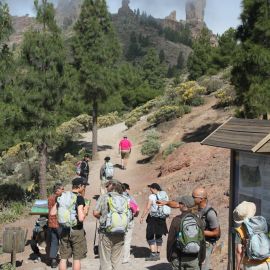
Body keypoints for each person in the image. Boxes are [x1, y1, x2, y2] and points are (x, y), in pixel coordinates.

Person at [51, 177, 90, 270]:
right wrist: (85, 210)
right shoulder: (79, 198)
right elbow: (80, 218)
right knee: (76, 259)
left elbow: (52, 213)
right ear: (80, 186)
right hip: (76, 230)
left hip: (64, 230)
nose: (84, 188)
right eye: (84, 186)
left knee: (63, 258)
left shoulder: (62, 196)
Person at [93, 180, 128, 270]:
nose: (106, 187)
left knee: (105, 261)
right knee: (117, 261)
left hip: (106, 233)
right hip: (121, 232)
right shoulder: (125, 198)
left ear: (112, 186)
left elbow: (95, 212)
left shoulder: (104, 197)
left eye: (107, 185)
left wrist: (103, 217)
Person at [167, 195, 206, 270]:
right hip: (194, 258)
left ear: (184, 205)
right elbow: (202, 241)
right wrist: (202, 258)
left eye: (180, 203)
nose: (179, 204)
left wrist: (169, 256)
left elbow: (170, 240)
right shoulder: (198, 220)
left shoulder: (176, 220)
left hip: (177, 257)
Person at [233, 201, 270, 270]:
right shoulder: (264, 224)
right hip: (267, 263)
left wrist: (237, 267)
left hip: (250, 265)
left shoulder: (240, 230)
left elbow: (239, 251)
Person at [192, 187, 220, 270]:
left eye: (193, 197)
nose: (192, 199)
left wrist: (198, 232)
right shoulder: (196, 209)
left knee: (204, 267)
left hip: (207, 244)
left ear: (201, 199)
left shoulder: (210, 213)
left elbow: (216, 232)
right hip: (198, 243)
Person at [140, 183, 168, 261]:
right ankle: (158, 254)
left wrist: (142, 217)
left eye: (151, 189)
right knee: (159, 235)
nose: (150, 190)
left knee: (150, 235)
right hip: (162, 218)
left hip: (153, 218)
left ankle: (153, 254)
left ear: (154, 188)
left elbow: (147, 207)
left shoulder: (152, 196)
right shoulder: (164, 195)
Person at [47, 182, 64, 268]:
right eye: (62, 189)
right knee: (64, 241)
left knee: (54, 242)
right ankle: (64, 260)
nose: (63, 190)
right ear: (57, 190)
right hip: (59, 223)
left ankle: (53, 260)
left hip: (51, 224)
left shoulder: (50, 197)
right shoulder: (59, 198)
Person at [122, 183, 139, 264]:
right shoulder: (130, 197)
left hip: (117, 222)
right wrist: (135, 215)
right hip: (129, 221)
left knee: (116, 240)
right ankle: (125, 258)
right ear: (127, 189)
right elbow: (137, 209)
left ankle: (115, 256)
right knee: (127, 240)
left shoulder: (115, 197)